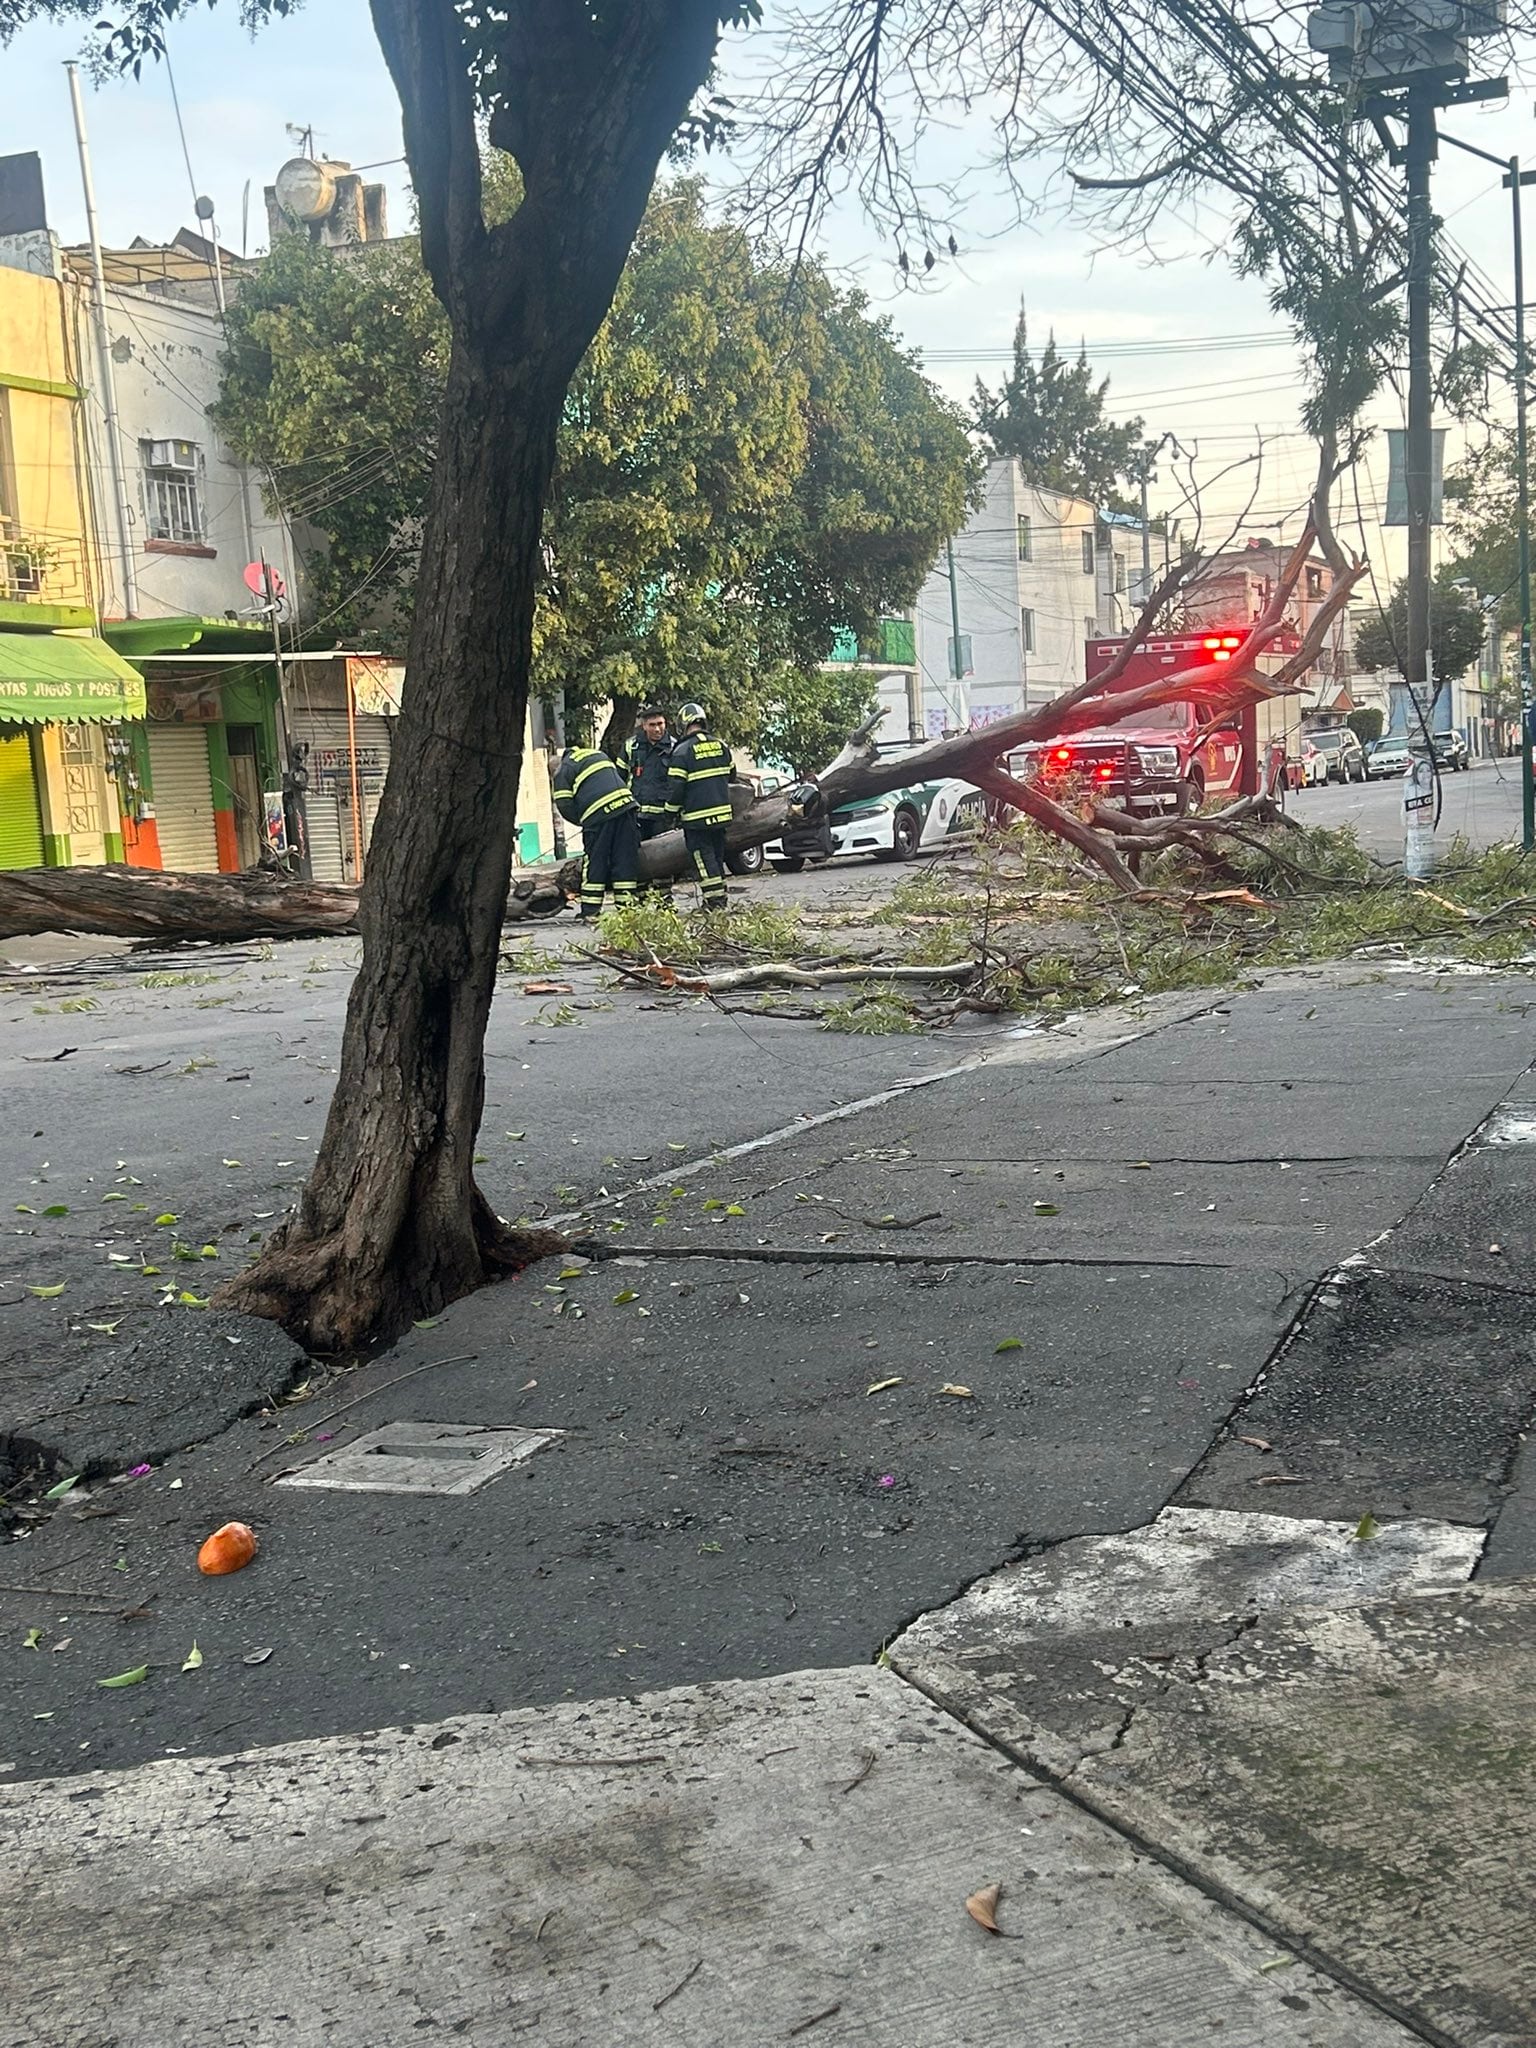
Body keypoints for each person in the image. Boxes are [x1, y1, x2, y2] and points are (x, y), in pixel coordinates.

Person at [552, 741, 641, 920]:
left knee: (595, 861)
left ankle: (590, 911)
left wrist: (583, 821)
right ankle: (627, 909)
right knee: (625, 859)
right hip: (626, 807)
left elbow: (564, 804)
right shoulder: (594, 754)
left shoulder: (563, 770)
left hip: (599, 815)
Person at [665, 702, 734, 913]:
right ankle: (720, 899)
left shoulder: (681, 752)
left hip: (697, 819)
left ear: (682, 724)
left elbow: (676, 789)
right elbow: (732, 776)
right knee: (717, 858)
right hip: (722, 816)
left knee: (703, 861)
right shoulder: (721, 745)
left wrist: (669, 813)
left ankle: (714, 903)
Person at [625, 705, 674, 902]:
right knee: (637, 857)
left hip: (663, 815)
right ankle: (642, 900)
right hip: (636, 814)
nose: (657, 729)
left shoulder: (674, 747)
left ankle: (665, 901)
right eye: (652, 725)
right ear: (644, 725)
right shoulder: (631, 747)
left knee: (664, 859)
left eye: (660, 724)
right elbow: (619, 777)